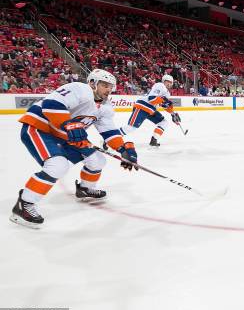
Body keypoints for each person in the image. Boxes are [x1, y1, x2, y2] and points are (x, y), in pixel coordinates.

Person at [11, 69, 138, 228]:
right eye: (105, 85)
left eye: (111, 87)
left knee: (97, 160)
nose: (109, 90)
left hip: (65, 136)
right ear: (93, 83)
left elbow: (109, 132)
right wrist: (69, 124)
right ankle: (24, 204)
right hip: (41, 128)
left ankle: (85, 188)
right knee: (58, 166)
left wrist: (123, 150)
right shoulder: (80, 89)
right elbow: (51, 104)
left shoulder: (105, 107)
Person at [120, 74, 180, 147]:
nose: (169, 83)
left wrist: (173, 113)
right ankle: (112, 137)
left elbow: (164, 105)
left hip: (151, 110)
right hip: (143, 106)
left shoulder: (167, 93)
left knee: (163, 122)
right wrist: (164, 101)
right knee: (131, 127)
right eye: (167, 81)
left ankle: (154, 140)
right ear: (163, 82)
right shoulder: (160, 85)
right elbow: (151, 99)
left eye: (170, 82)